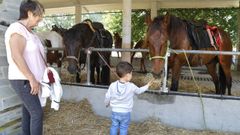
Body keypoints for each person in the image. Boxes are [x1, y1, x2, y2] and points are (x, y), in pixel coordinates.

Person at [4, 0, 45, 135]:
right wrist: (31, 78)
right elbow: (17, 56)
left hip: (30, 79)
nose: (41, 19)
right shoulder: (17, 29)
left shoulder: (29, 31)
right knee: (37, 113)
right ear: (29, 13)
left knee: (28, 112)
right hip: (23, 79)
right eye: (39, 15)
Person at [104, 61, 153, 135]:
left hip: (115, 112)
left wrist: (106, 104)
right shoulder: (131, 86)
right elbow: (139, 91)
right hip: (125, 113)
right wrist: (147, 86)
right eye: (131, 73)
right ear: (127, 75)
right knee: (123, 128)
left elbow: (107, 97)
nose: (132, 75)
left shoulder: (112, 85)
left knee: (114, 126)